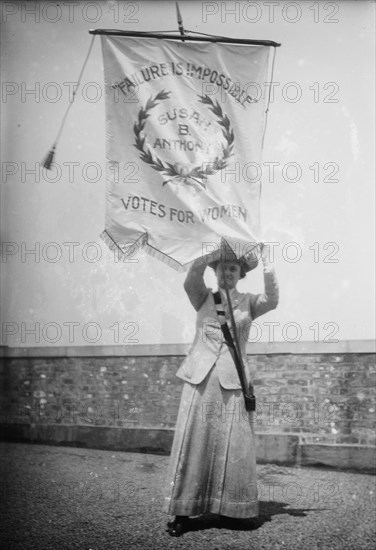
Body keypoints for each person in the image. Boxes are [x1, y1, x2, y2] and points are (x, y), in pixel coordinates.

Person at [164, 243, 279, 536]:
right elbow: (191, 279)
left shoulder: (250, 303)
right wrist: (205, 248)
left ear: (240, 274)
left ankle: (233, 509)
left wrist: (267, 261)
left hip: (232, 380)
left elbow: (273, 299)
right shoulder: (203, 297)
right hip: (201, 378)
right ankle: (182, 511)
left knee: (235, 446)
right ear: (215, 271)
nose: (226, 272)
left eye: (233, 268)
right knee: (195, 442)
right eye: (222, 267)